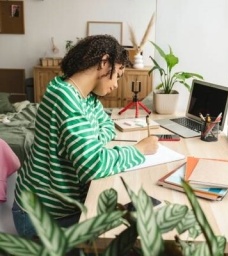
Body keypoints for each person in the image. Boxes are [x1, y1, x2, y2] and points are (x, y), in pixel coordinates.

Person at [12, 34, 159, 239]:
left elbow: (107, 124)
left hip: (59, 208)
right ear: (104, 62)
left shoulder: (85, 97)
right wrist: (140, 149)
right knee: (133, 228)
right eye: (117, 75)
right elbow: (94, 166)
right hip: (41, 219)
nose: (116, 84)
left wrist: (92, 140)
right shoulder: (65, 98)